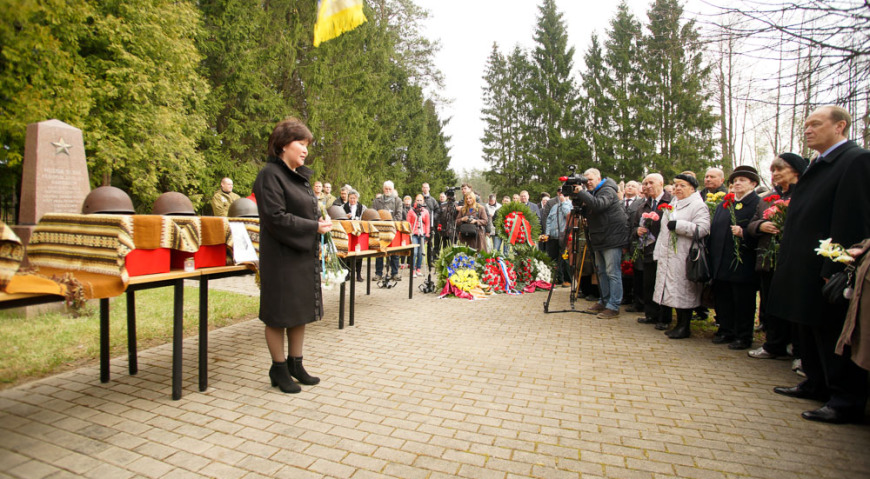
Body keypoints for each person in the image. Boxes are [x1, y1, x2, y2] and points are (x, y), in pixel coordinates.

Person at [769, 105, 870, 424]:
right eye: (806, 125)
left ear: (840, 126)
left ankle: (844, 399)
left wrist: (836, 268)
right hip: (803, 264)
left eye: (816, 124)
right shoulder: (819, 162)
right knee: (807, 325)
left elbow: (852, 218)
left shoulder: (855, 160)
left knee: (829, 330)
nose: (808, 130)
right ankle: (815, 382)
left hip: (826, 267)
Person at [252, 117, 331, 394]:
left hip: (301, 253)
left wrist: (318, 227)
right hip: (280, 258)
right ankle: (279, 367)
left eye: (307, 144)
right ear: (284, 144)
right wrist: (314, 227)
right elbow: (275, 217)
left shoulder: (299, 177)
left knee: (299, 311)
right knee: (278, 314)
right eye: (301, 142)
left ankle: (296, 364)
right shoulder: (269, 176)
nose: (305, 149)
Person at [746, 153, 808, 359]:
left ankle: (799, 352)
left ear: (796, 171)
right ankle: (774, 345)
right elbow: (752, 223)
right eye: (773, 170)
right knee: (770, 304)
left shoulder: (804, 195)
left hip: (793, 261)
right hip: (768, 259)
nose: (775, 174)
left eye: (780, 169)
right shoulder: (768, 199)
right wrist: (762, 225)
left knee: (794, 308)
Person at [708, 165, 761, 350]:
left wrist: (744, 233)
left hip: (742, 262)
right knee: (724, 298)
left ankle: (743, 336)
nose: (737, 183)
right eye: (735, 180)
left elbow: (760, 232)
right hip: (721, 261)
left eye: (742, 180)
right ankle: (726, 329)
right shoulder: (726, 204)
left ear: (753, 184)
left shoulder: (757, 204)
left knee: (743, 301)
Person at [652, 174, 711, 339]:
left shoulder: (698, 206)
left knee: (683, 291)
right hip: (668, 254)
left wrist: (680, 226)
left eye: (682, 185)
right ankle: (678, 324)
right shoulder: (674, 203)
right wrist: (659, 252)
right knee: (672, 290)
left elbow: (703, 229)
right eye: (676, 185)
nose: (678, 188)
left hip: (685, 255)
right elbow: (664, 232)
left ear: (692, 188)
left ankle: (684, 326)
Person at [571, 168, 629, 319]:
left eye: (590, 180)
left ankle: (614, 306)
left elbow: (599, 205)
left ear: (599, 178)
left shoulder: (608, 190)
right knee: (601, 271)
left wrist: (581, 193)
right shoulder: (594, 192)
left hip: (612, 238)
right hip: (600, 238)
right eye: (585, 180)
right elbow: (591, 210)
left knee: (612, 272)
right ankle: (604, 301)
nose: (587, 183)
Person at [635, 174, 673, 328]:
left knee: (663, 284)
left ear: (661, 183)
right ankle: (651, 314)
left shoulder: (670, 202)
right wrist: (637, 230)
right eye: (645, 183)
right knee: (649, 283)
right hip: (648, 249)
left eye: (651, 182)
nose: (647, 186)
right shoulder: (643, 206)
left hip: (665, 249)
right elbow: (633, 226)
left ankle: (664, 318)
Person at [372, 180, 403, 281]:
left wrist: (389, 223)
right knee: (379, 253)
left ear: (393, 190)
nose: (388, 190)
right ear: (383, 189)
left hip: (393, 230)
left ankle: (395, 273)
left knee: (395, 252)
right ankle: (378, 273)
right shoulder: (377, 201)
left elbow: (399, 215)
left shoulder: (398, 201)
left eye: (390, 189)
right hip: (380, 231)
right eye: (386, 188)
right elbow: (373, 214)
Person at [546, 191, 572, 286]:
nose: (561, 195)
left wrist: (564, 202)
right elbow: (549, 220)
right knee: (555, 259)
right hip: (554, 236)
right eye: (560, 194)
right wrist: (547, 233)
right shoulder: (554, 207)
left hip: (564, 236)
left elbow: (568, 215)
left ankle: (568, 279)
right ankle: (559, 278)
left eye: (563, 194)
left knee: (565, 259)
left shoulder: (570, 205)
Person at [343, 190, 366, 282]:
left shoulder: (362, 207)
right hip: (347, 232)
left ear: (357, 198)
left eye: (354, 198)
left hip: (358, 233)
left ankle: (358, 274)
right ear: (348, 198)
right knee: (347, 252)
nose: (352, 200)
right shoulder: (343, 207)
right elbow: (340, 217)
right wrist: (345, 216)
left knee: (359, 253)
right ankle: (347, 273)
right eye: (351, 198)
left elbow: (366, 218)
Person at [407, 195, 430, 277]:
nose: (419, 202)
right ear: (415, 201)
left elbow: (427, 223)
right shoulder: (411, 211)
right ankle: (412, 270)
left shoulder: (425, 211)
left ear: (423, 201)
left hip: (422, 233)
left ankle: (418, 268)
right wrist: (409, 233)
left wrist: (427, 234)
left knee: (421, 252)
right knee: (415, 252)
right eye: (417, 200)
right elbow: (408, 223)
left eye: (420, 200)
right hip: (414, 233)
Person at [421, 183, 440, 268]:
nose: (425, 189)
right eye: (424, 187)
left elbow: (438, 209)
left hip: (430, 225)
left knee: (430, 244)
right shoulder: (419, 198)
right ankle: (416, 264)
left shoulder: (432, 200)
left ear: (429, 188)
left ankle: (430, 262)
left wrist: (434, 218)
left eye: (427, 187)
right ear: (422, 189)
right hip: (420, 224)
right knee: (419, 243)